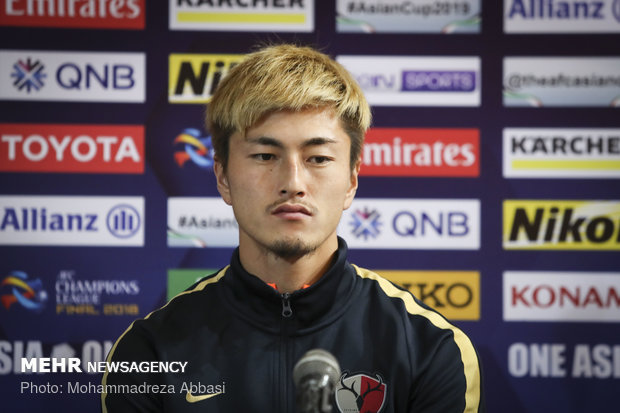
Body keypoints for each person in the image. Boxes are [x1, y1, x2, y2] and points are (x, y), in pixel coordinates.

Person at [101, 44, 484, 413]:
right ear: (223, 177)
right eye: (265, 156)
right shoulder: (148, 352)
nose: (293, 182)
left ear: (351, 181)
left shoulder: (430, 347)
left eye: (318, 157)